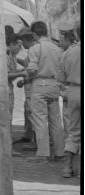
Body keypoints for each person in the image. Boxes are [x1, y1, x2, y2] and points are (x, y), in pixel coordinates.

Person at [25, 20, 64, 163]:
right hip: (54, 84)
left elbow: (32, 68)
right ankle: (60, 152)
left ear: (35, 34)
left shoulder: (35, 48)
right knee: (55, 120)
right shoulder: (57, 48)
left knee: (40, 119)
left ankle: (43, 153)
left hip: (40, 85)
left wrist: (28, 77)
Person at [58, 23, 81, 178]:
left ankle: (67, 167)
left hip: (73, 91)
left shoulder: (69, 52)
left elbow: (60, 77)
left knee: (73, 130)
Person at [14, 27, 37, 149]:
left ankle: (36, 140)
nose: (20, 44)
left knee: (31, 112)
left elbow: (33, 70)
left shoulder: (34, 50)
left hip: (32, 85)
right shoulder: (32, 50)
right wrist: (16, 59)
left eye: (21, 40)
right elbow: (28, 65)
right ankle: (28, 135)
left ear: (25, 39)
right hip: (29, 84)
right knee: (27, 110)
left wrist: (23, 77)